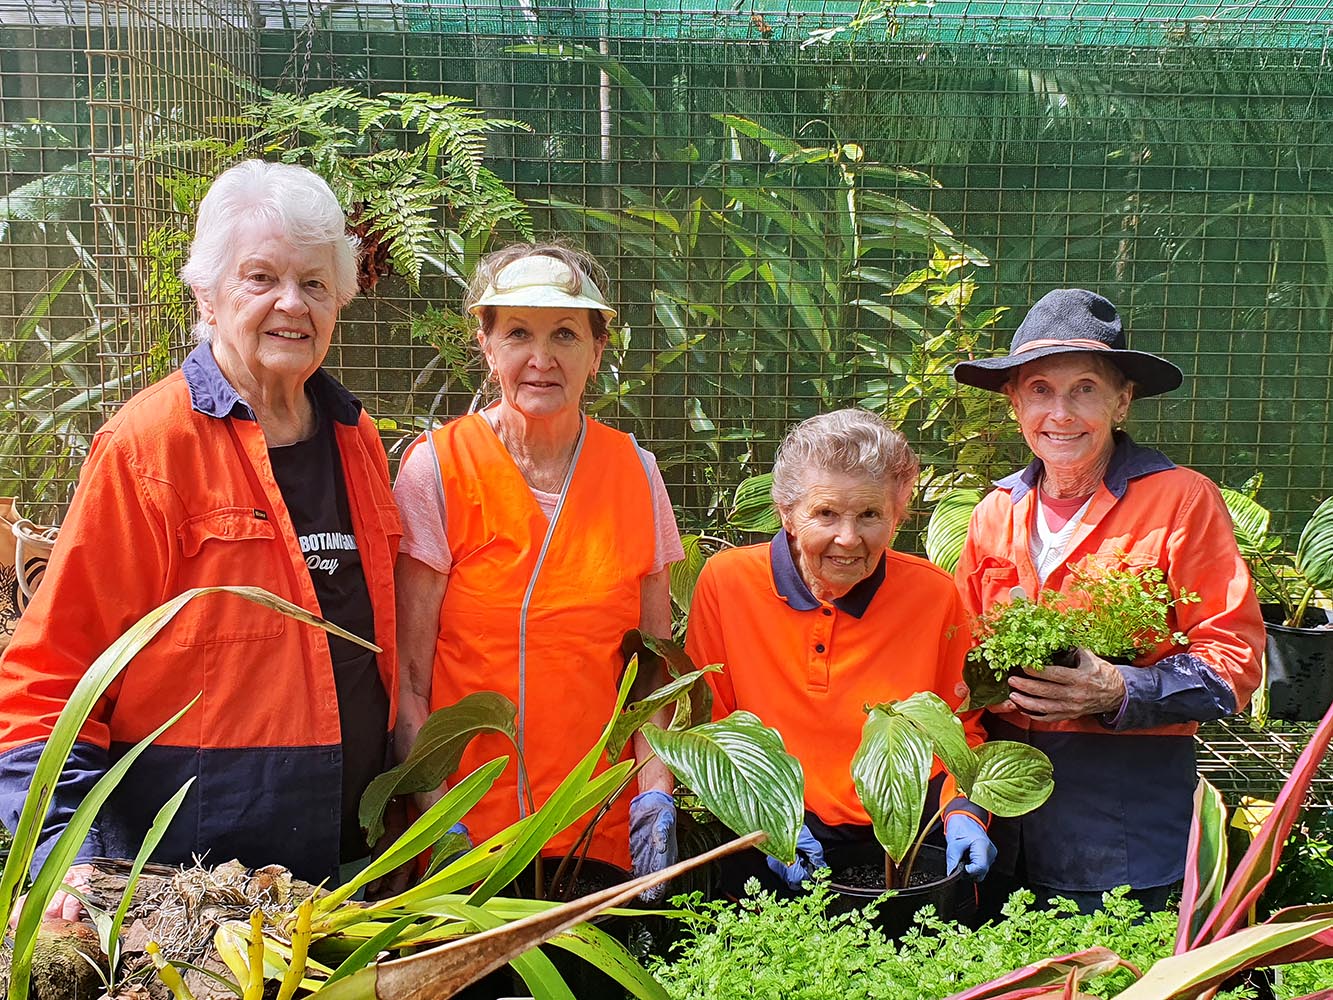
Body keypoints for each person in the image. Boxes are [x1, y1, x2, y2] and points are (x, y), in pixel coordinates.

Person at [0, 160, 402, 917]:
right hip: (186, 898)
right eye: (261, 278)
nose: (292, 303)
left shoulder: (357, 438)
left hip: (343, 882)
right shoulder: (148, 448)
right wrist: (70, 857)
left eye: (315, 283)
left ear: (341, 299)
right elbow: (46, 681)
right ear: (207, 296)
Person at [952, 288, 1264, 914]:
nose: (1060, 412)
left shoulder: (1180, 500)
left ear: (1122, 401)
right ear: (1014, 403)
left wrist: (1121, 690)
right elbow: (957, 668)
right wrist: (963, 803)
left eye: (1085, 389)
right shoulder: (995, 512)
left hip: (1124, 818)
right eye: (1040, 388)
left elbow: (1235, 665)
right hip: (1004, 820)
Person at [392, 243, 684, 884]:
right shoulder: (438, 469)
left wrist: (656, 789)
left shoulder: (635, 471)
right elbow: (408, 681)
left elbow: (653, 672)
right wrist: (438, 820)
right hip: (468, 841)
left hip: (597, 836)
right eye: (518, 333)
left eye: (565, 334)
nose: (541, 358)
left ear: (598, 350)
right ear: (487, 345)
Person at [686, 409, 996, 893]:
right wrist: (766, 827)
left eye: (870, 514)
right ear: (787, 513)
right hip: (768, 833)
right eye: (826, 513)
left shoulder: (936, 595)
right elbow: (711, 730)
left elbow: (961, 731)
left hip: (900, 842)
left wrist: (966, 811)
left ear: (898, 514)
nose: (848, 539)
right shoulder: (726, 583)